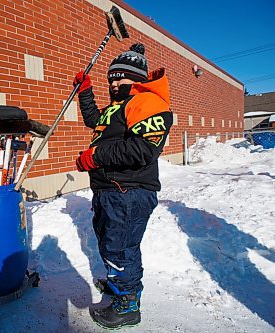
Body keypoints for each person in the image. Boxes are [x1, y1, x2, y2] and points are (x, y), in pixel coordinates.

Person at [73, 43, 173, 329]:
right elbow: (96, 121)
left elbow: (143, 149)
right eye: (111, 79)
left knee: (121, 250)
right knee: (112, 244)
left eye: (121, 78)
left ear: (138, 79)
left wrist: (95, 156)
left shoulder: (149, 102)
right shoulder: (118, 106)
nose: (114, 83)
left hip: (129, 192)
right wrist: (85, 92)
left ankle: (128, 305)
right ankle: (120, 286)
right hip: (110, 191)